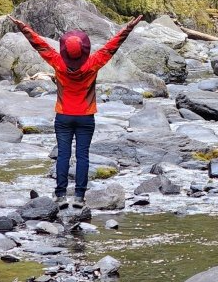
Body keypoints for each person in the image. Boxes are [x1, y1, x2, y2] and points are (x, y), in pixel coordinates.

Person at [10, 13, 143, 208]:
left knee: (63, 154)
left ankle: (60, 195)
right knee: (83, 156)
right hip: (86, 118)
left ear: (65, 51)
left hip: (63, 116)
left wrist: (22, 26)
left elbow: (39, 44)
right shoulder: (93, 63)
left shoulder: (58, 62)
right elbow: (113, 45)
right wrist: (129, 27)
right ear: (84, 50)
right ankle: (79, 197)